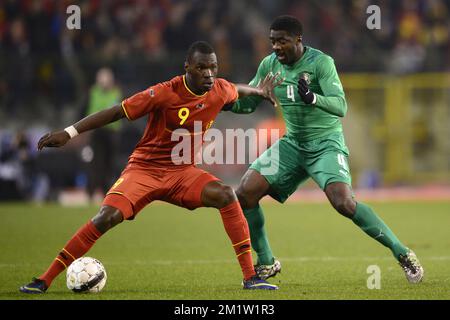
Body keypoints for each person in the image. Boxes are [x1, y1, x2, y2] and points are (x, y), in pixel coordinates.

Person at [19, 41, 282, 294]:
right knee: (106, 217)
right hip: (144, 170)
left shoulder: (220, 89)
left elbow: (236, 88)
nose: (209, 74)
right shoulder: (164, 92)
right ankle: (44, 279)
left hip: (182, 173)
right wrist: (70, 132)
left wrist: (258, 90)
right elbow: (116, 112)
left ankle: (250, 277)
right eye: (202, 68)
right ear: (187, 67)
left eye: (213, 67)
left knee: (226, 194)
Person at [225, 16, 424, 284]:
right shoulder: (269, 65)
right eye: (273, 42)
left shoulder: (321, 63)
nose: (276, 47)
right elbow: (249, 105)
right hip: (293, 144)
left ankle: (402, 253)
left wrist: (313, 97)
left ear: (298, 40)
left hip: (325, 144)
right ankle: (267, 262)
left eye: (282, 41)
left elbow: (340, 106)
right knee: (245, 192)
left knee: (344, 203)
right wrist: (225, 102)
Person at [85, 68, 122, 201]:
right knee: (96, 163)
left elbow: (116, 112)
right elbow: (93, 111)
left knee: (110, 164)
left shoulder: (116, 92)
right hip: (98, 132)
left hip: (111, 133)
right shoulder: (94, 92)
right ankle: (91, 192)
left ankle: (107, 193)